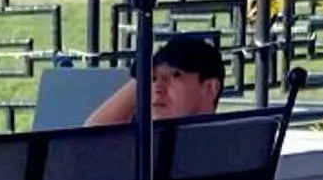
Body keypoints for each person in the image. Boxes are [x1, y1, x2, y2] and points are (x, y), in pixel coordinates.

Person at [85, 30, 224, 126]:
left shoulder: (234, 145)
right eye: (153, 79)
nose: (158, 88)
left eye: (175, 75)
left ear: (210, 88)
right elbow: (92, 140)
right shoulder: (145, 148)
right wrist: (141, 78)